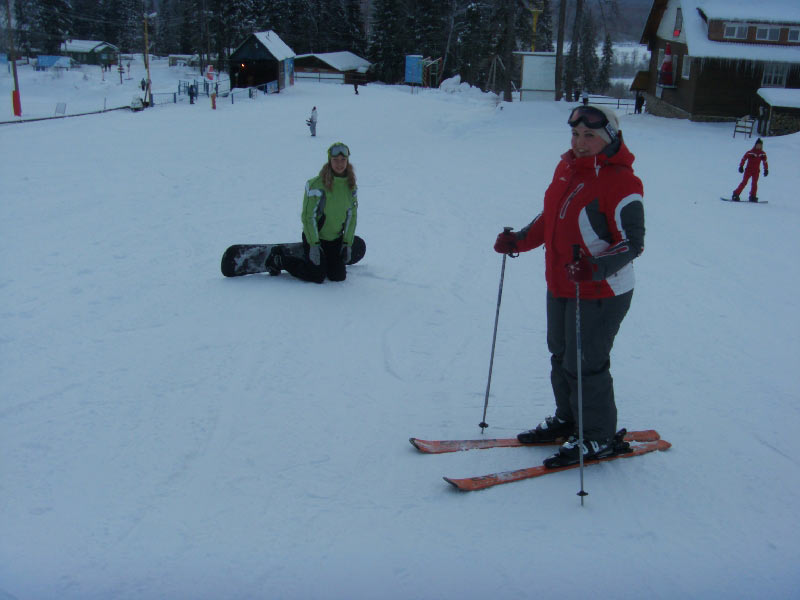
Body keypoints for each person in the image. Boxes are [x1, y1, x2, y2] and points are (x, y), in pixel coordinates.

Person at [493, 104, 645, 466]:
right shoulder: (567, 169)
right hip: (563, 283)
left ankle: (597, 436)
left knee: (586, 363)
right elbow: (552, 216)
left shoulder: (623, 181)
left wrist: (594, 268)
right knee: (561, 355)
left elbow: (632, 242)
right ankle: (569, 420)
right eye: (576, 134)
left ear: (609, 137)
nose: (580, 142)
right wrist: (520, 240)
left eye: (589, 135)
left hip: (602, 291)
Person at [266, 142, 358, 283]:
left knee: (338, 276)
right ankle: (279, 260)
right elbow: (308, 217)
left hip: (335, 239)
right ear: (329, 161)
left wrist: (347, 242)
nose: (339, 164)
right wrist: (314, 245)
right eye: (335, 160)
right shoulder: (316, 185)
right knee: (317, 276)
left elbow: (352, 216)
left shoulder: (350, 186)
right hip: (316, 238)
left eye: (343, 160)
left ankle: (322, 261)